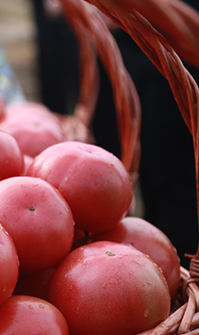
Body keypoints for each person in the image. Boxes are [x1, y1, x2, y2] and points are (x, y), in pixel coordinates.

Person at [32, 0, 199, 266]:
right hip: (128, 28)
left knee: (175, 168)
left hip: (172, 28)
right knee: (142, 154)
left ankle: (180, 261)